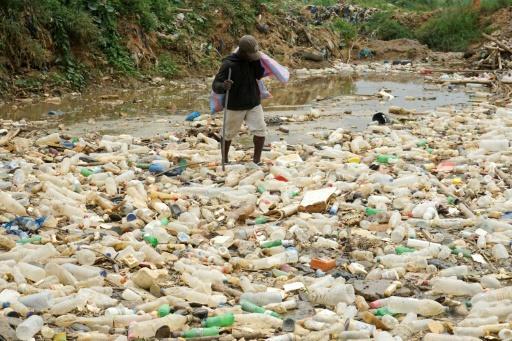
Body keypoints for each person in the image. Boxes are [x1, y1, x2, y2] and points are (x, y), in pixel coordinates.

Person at [212, 35, 266, 166]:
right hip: (234, 105)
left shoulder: (253, 60)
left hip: (253, 102)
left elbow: (259, 75)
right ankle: (224, 160)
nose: (253, 57)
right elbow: (215, 85)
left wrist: (257, 63)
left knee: (260, 131)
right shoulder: (228, 64)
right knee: (228, 133)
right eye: (250, 55)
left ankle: (257, 160)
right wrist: (224, 86)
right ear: (242, 52)